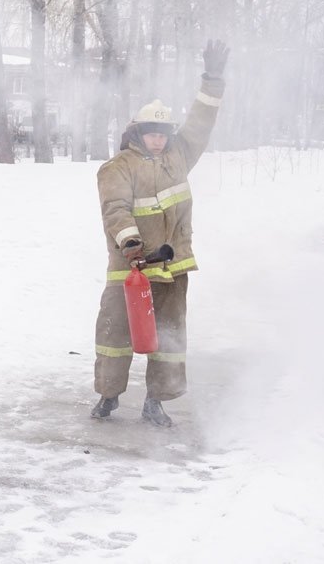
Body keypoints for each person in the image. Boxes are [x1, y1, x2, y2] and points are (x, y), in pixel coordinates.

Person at [90, 39, 228, 427]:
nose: (159, 139)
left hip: (171, 269)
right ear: (137, 132)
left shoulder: (178, 156)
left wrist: (213, 80)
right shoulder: (118, 167)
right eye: (151, 132)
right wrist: (131, 242)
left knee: (168, 340)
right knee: (114, 335)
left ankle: (157, 401)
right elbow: (114, 208)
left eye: (163, 132)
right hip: (129, 270)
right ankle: (107, 395)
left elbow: (200, 123)